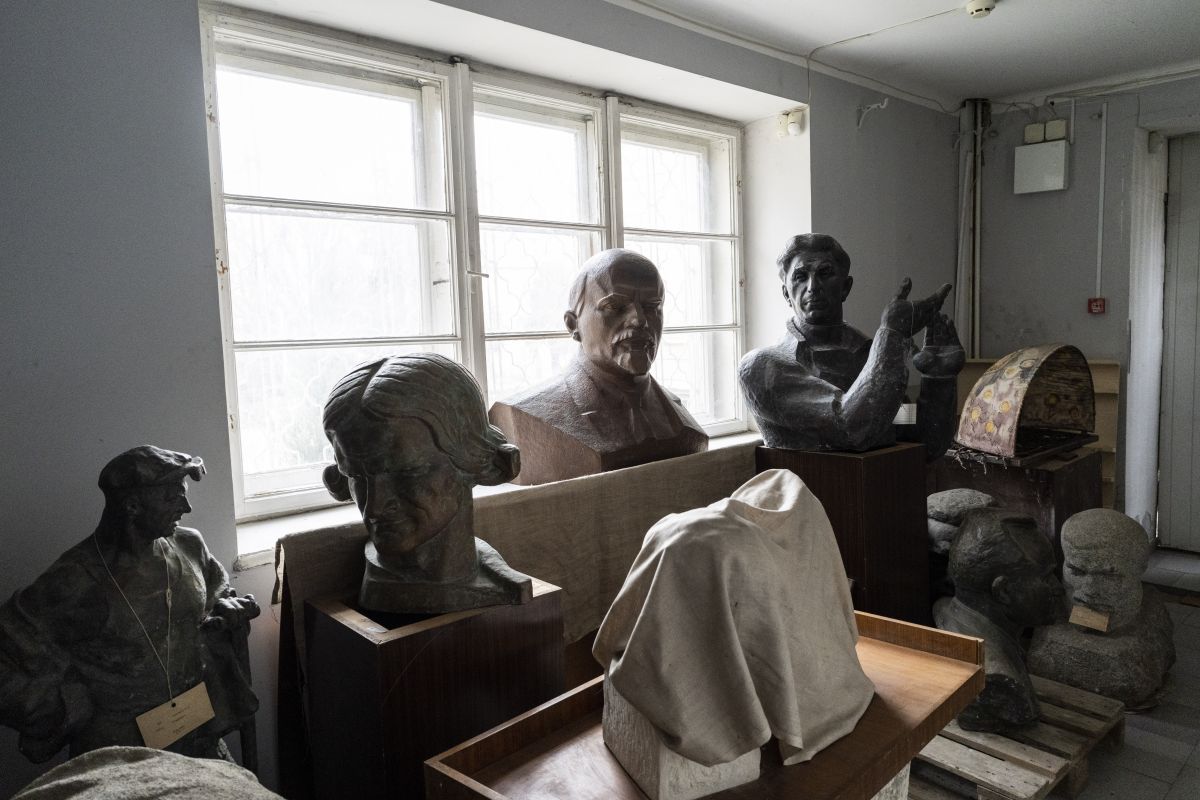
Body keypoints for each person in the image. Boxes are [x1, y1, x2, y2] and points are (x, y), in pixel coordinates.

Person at [0, 446, 259, 763]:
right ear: (132, 505)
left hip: (198, 737)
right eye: (172, 498)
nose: (187, 507)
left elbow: (217, 594)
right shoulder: (75, 580)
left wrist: (227, 612)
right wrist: (60, 706)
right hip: (121, 755)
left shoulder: (189, 545)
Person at [323, 353, 532, 614]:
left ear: (471, 460)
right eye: (356, 475)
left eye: (407, 472)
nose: (374, 507)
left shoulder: (496, 575)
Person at [489, 249, 707, 485]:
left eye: (652, 307)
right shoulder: (522, 416)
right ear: (573, 324)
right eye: (615, 307)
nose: (640, 320)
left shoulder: (679, 419)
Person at [738, 233, 965, 455]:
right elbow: (851, 429)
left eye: (825, 274)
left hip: (882, 484)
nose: (813, 286)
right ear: (786, 294)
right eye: (800, 277)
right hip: (807, 488)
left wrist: (939, 380)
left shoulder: (869, 355)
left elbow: (917, 438)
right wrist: (892, 332)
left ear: (846, 287)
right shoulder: (762, 367)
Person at [934, 509, 1064, 732]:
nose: (1058, 589)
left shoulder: (947, 609)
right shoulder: (996, 678)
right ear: (1003, 591)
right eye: (1046, 577)